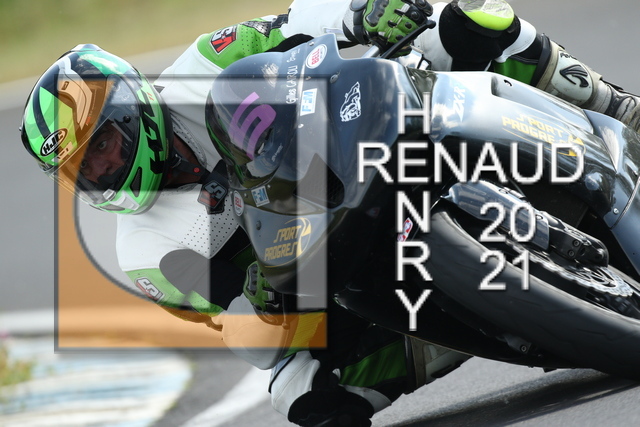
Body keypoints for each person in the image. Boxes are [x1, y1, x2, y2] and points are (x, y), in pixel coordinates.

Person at [19, 0, 640, 425]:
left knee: (465, 20)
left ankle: (617, 108)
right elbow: (246, 332)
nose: (101, 168)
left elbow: (301, 19)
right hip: (322, 265)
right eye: (82, 167)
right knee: (309, 395)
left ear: (132, 110)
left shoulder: (204, 63)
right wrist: (263, 309)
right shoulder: (144, 253)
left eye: (102, 144)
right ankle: (511, 322)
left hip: (352, 141)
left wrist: (363, 12)